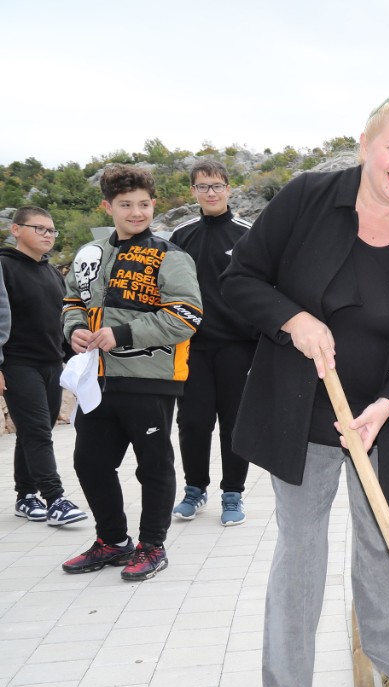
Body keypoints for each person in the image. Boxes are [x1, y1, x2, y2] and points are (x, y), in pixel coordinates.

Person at [222, 97, 389, 687]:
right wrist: (293, 320)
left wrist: (388, 403)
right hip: (304, 413)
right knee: (301, 549)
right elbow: (239, 280)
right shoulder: (305, 201)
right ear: (365, 144)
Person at [61, 165, 202, 581]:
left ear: (153, 204)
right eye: (126, 205)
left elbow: (187, 315)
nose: (136, 212)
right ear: (108, 207)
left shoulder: (170, 255)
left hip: (151, 379)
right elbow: (71, 299)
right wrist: (75, 331)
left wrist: (121, 333)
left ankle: (152, 546)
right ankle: (112, 541)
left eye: (143, 204)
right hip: (97, 380)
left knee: (153, 466)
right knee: (88, 462)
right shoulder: (91, 253)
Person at [168, 160, 256, 526]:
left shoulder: (248, 233)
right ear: (193, 192)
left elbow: (264, 285)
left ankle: (232, 494)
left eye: (217, 186)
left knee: (235, 423)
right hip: (193, 347)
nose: (211, 193)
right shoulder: (181, 235)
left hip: (238, 346)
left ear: (229, 189)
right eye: (203, 187)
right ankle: (194, 489)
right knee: (192, 421)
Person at [2, 208, 88, 527]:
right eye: (39, 229)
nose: (47, 235)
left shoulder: (52, 272)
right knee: (38, 432)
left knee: (32, 432)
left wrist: (72, 358)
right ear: (16, 230)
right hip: (16, 363)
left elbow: (60, 318)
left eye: (52, 230)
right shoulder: (3, 266)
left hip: (51, 363)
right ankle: (56, 499)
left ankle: (25, 496)